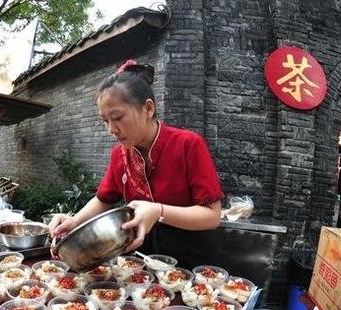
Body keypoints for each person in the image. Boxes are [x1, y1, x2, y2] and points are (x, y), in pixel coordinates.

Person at [50, 59, 223, 252]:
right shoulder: (119, 154)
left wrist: (159, 211)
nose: (111, 129)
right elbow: (103, 200)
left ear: (148, 108)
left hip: (188, 257)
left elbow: (212, 216)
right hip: (139, 257)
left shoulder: (187, 144)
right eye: (105, 121)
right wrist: (74, 221)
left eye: (117, 118)